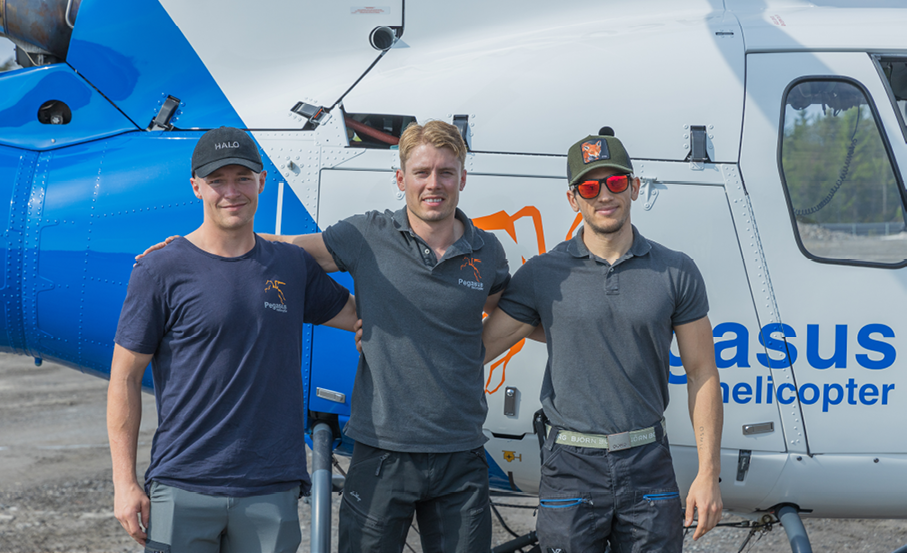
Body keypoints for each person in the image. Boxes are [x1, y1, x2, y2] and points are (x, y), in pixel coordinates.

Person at [139, 120, 511, 552]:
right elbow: (288, 249)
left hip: (461, 452)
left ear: (462, 178)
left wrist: (471, 352)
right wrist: (197, 248)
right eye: (421, 172)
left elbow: (509, 309)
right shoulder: (367, 235)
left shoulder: (487, 251)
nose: (434, 184)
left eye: (446, 172)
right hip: (381, 450)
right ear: (400, 179)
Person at [108, 126, 358, 553]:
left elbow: (361, 316)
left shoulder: (291, 266)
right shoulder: (160, 270)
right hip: (183, 483)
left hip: (270, 487)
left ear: (262, 181)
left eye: (242, 178)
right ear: (196, 187)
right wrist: (124, 483)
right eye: (217, 180)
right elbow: (125, 378)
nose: (231, 191)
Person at [482, 128, 723, 552]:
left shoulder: (676, 271)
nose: (604, 195)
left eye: (614, 182)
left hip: (648, 463)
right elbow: (476, 349)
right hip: (570, 467)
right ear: (573, 198)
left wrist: (708, 474)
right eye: (590, 187)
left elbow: (702, 372)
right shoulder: (543, 274)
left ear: (633, 187)